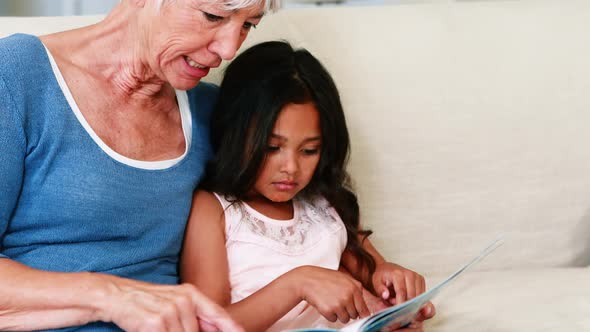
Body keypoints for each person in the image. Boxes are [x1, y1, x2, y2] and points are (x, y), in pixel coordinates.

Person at [0, 0, 278, 330]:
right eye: (213, 16)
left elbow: (293, 215)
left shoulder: (212, 110)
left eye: (248, 25)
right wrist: (113, 297)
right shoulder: (16, 75)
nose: (229, 49)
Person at [180, 41, 436, 332]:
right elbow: (208, 324)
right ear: (235, 134)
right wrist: (297, 283)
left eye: (309, 151)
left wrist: (394, 288)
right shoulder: (213, 210)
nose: (291, 167)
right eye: (272, 147)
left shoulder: (323, 203)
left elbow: (374, 275)